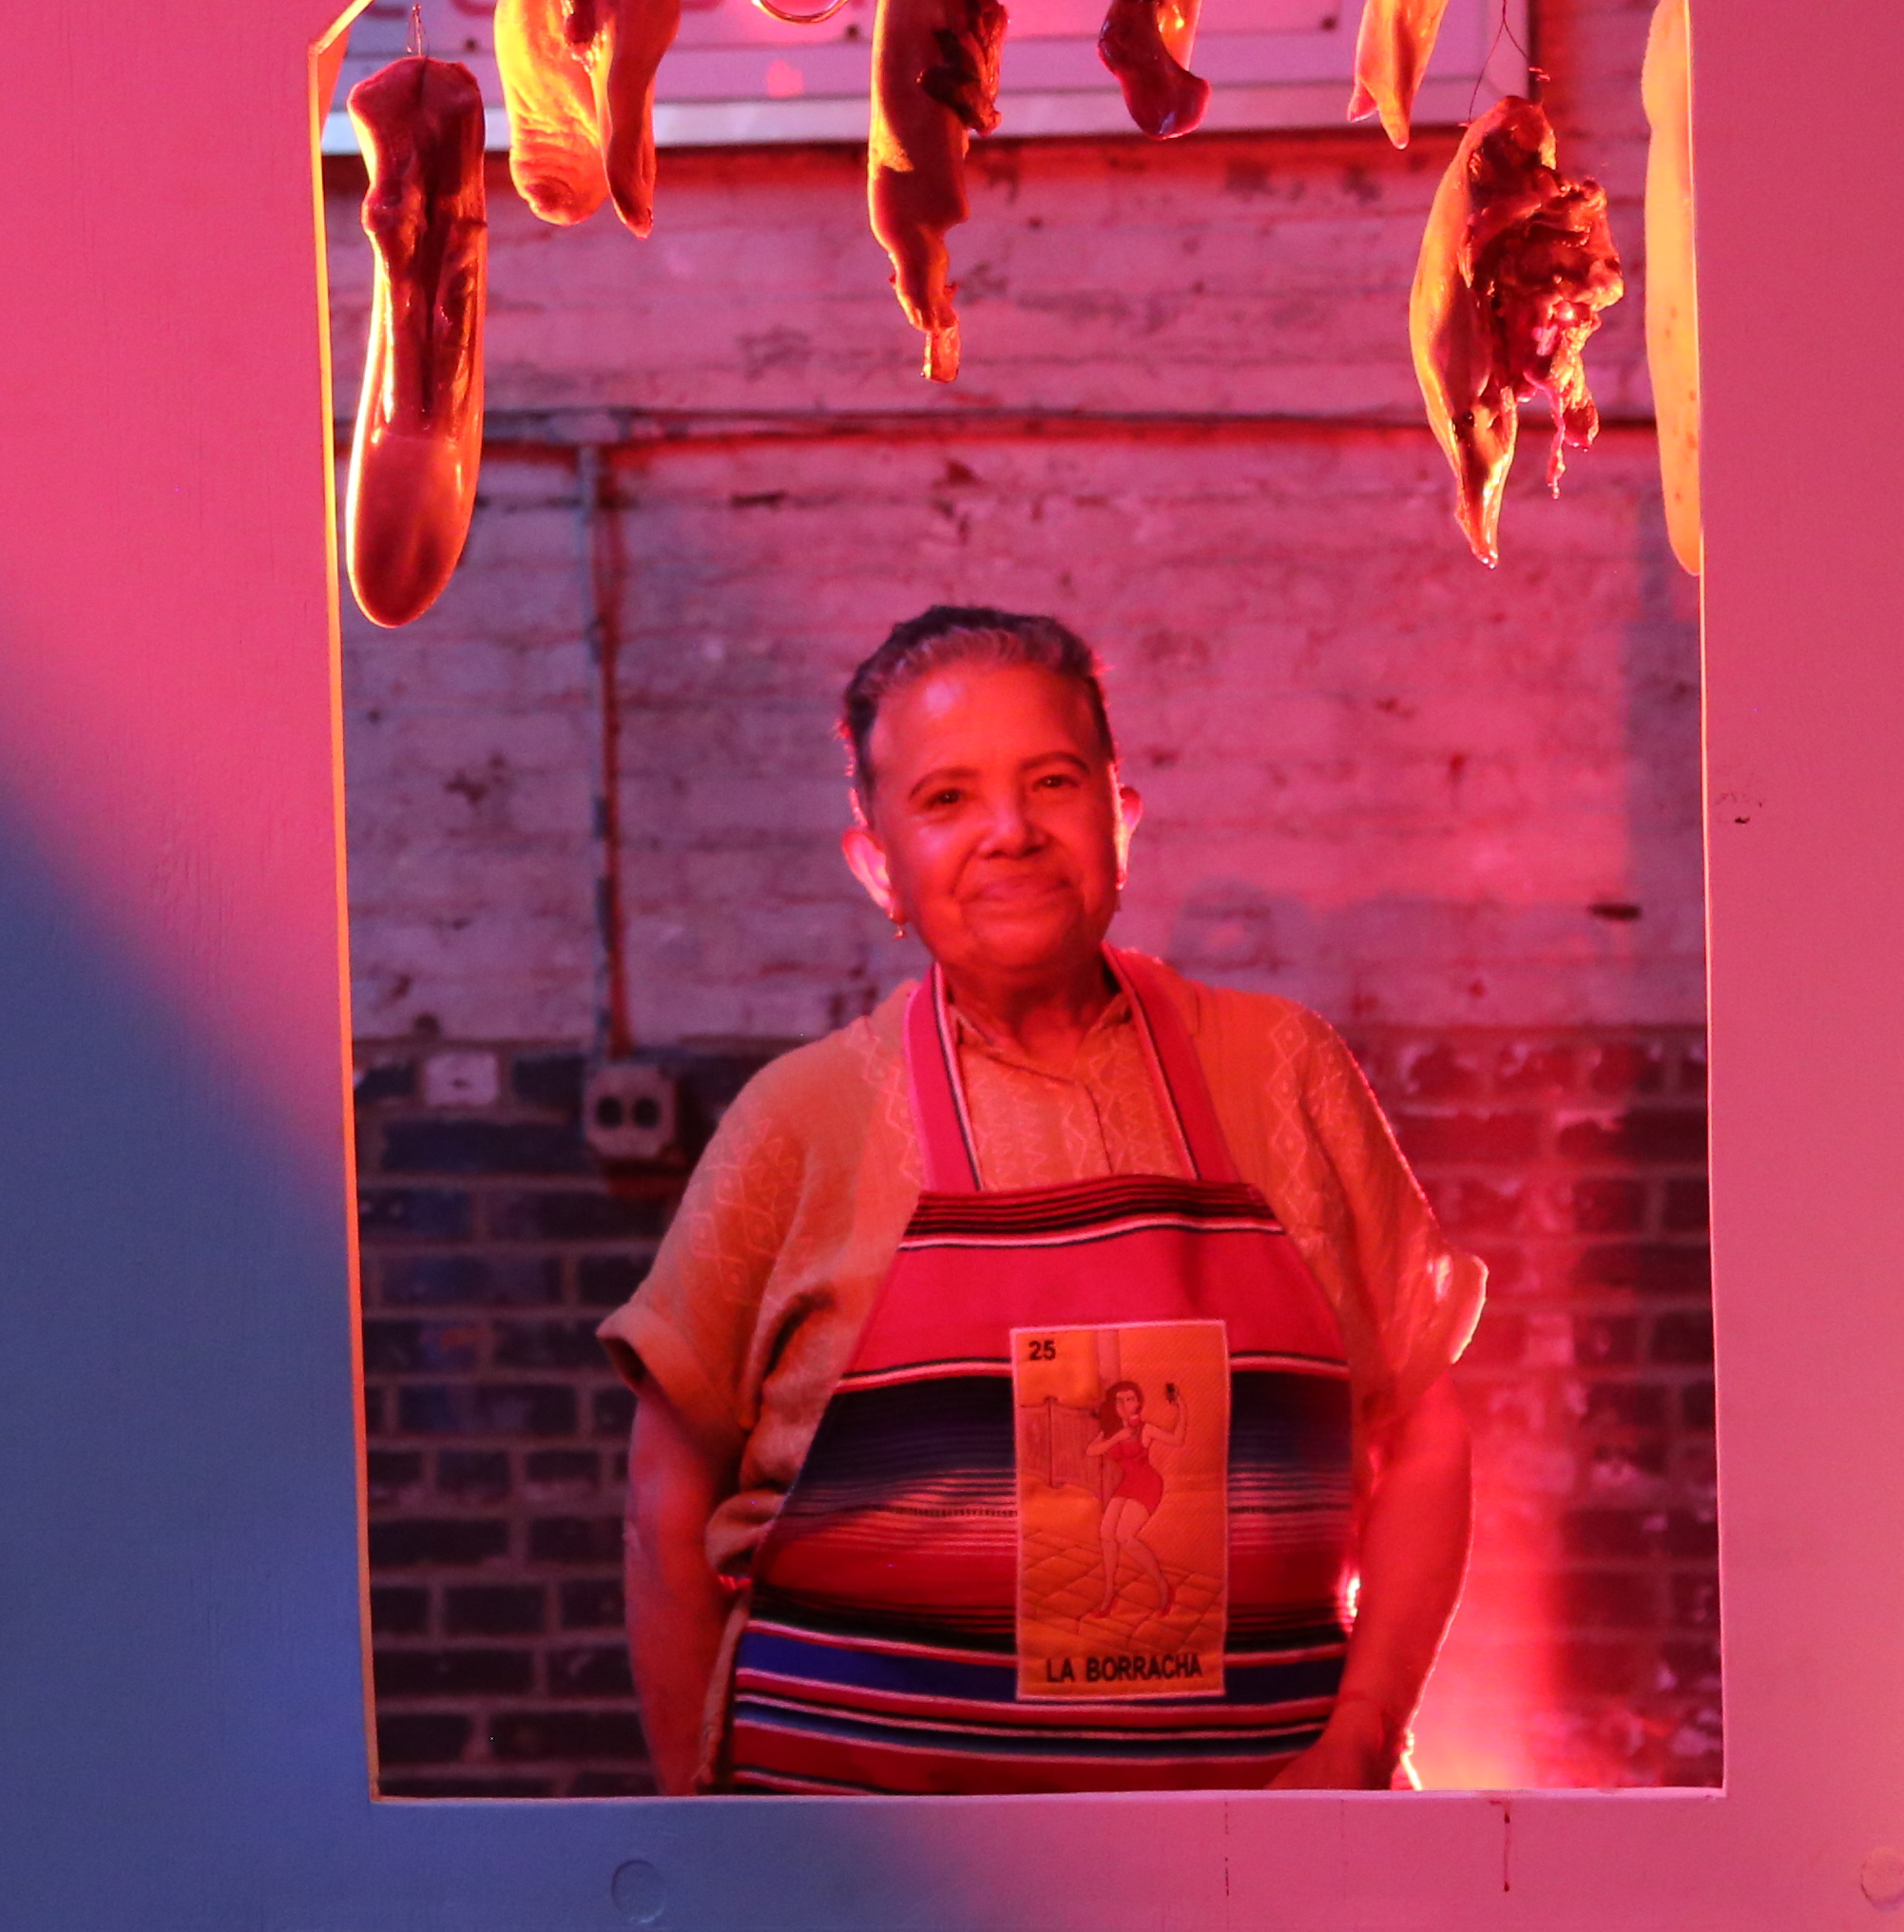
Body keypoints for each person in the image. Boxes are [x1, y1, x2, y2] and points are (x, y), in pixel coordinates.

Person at [605, 608, 1483, 1794]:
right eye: (947, 800)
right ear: (878, 869)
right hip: (858, 1901)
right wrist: (701, 1842)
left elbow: (1426, 1432)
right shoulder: (799, 1123)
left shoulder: (1283, 1071)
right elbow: (665, 1495)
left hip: (1264, 1880)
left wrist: (1362, 1737)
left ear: (1121, 817)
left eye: (1052, 782)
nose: (1010, 834)